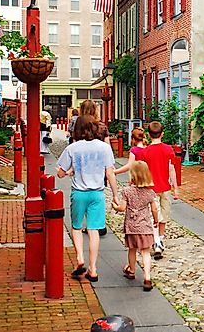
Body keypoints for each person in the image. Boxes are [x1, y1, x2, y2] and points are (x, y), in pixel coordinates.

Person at [56, 115, 119, 283]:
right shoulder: (104, 148)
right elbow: (110, 173)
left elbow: (60, 173)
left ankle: (79, 257)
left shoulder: (73, 148)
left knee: (76, 227)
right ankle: (93, 268)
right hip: (97, 193)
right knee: (94, 230)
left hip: (79, 192)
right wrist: (115, 194)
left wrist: (70, 172)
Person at [112, 161, 158, 291]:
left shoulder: (127, 191)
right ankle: (147, 278)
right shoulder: (150, 192)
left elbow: (122, 208)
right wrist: (155, 220)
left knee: (132, 249)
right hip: (145, 227)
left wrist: (115, 206)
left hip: (131, 226)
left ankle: (132, 270)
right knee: (145, 252)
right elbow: (154, 209)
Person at [141, 121, 178, 259]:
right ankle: (160, 240)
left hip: (150, 188)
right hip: (165, 187)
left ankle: (156, 241)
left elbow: (142, 172)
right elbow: (171, 169)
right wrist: (176, 187)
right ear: (162, 134)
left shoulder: (145, 152)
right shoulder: (168, 149)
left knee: (154, 216)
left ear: (148, 135)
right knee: (164, 215)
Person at [80, 99, 110, 236]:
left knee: (85, 193)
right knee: (99, 194)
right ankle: (100, 223)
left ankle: (90, 224)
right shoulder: (102, 126)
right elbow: (108, 145)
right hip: (99, 165)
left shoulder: (79, 125)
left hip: (84, 165)